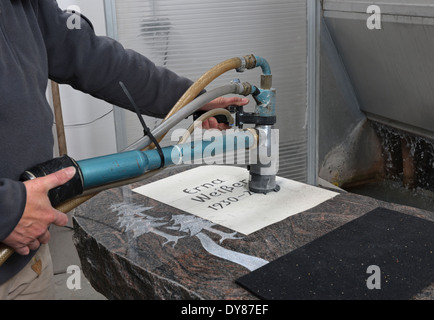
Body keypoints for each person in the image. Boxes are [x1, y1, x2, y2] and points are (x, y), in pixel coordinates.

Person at [0, 1, 248, 299]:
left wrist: (192, 100)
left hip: (25, 251)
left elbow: (92, 57)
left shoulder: (26, 5)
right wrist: (7, 210)